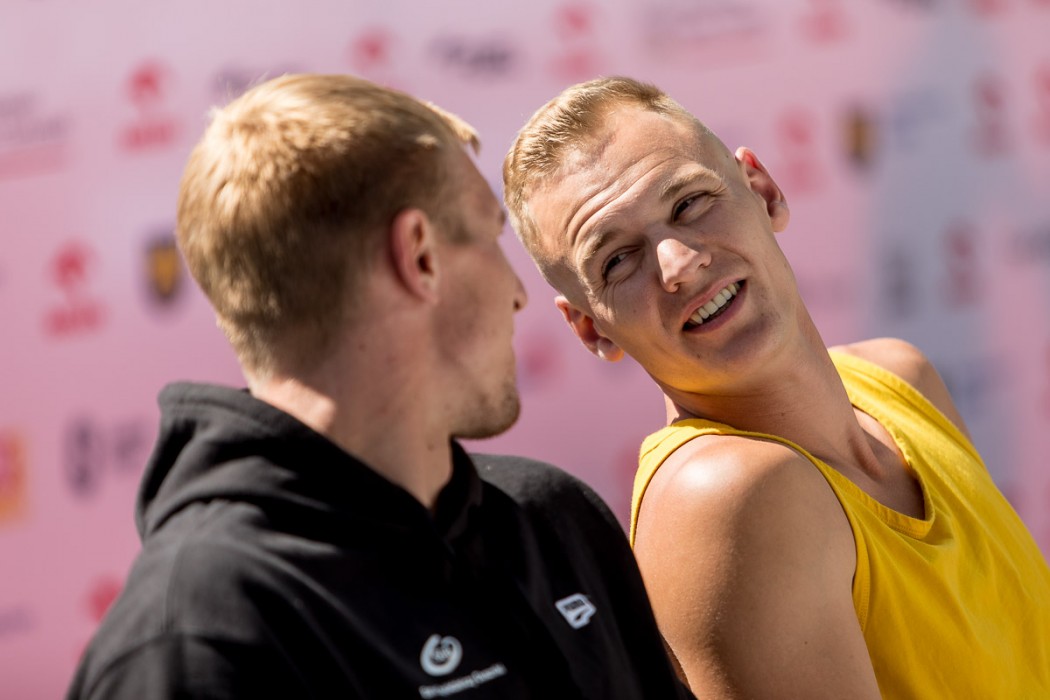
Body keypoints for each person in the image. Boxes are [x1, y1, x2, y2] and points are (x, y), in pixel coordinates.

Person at [66, 73, 694, 700]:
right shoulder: (195, 641)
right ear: (420, 256)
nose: (517, 293)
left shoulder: (553, 522)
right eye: (488, 235)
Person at [503, 76, 1050, 699]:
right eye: (618, 260)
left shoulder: (900, 377)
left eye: (689, 204)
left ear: (763, 190)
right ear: (591, 328)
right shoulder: (726, 497)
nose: (678, 264)